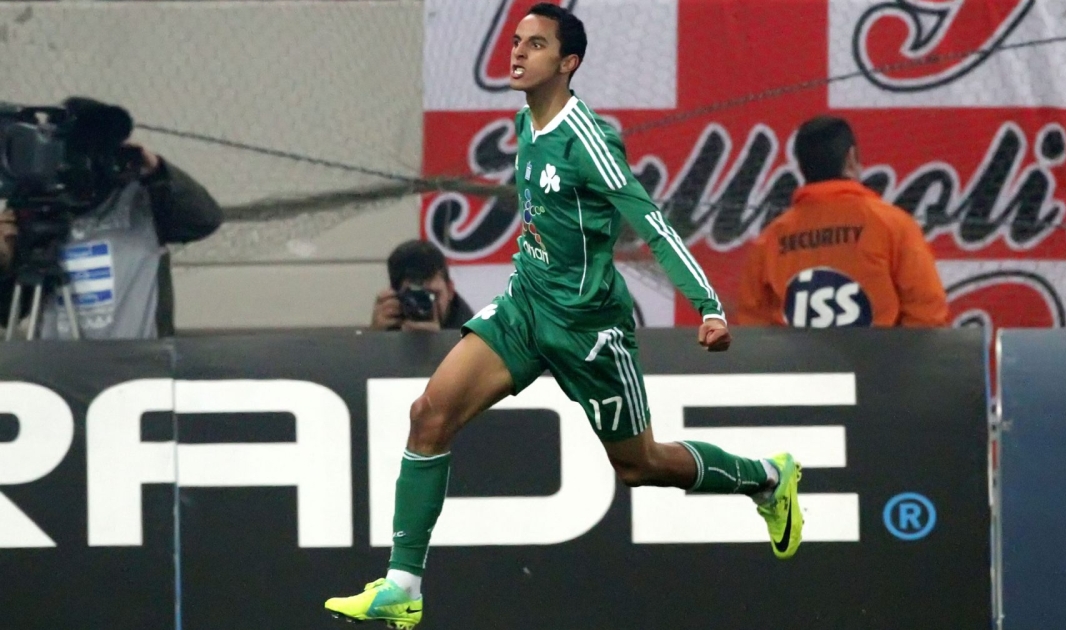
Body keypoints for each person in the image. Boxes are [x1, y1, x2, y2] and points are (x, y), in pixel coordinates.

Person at [324, 4, 803, 628]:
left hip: (588, 329)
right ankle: (402, 588)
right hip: (526, 306)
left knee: (639, 465)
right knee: (428, 415)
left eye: (536, 44)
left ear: (567, 62)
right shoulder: (525, 121)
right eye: (516, 40)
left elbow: (651, 222)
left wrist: (709, 304)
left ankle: (766, 478)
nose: (517, 52)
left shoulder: (588, 139)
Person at [0, 97, 223, 339]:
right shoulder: (36, 207)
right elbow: (6, 310)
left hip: (138, 357)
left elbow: (205, 219)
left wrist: (159, 171)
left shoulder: (143, 198)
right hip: (55, 359)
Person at [737, 115, 948, 328]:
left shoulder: (769, 241)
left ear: (801, 166)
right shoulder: (894, 226)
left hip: (799, 352)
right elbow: (927, 314)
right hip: (879, 351)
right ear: (851, 158)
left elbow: (752, 328)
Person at [369, 239, 473, 333]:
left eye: (433, 295)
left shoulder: (475, 337)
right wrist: (376, 337)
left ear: (450, 290)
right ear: (395, 296)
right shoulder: (389, 324)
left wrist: (439, 342)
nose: (423, 305)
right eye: (414, 295)